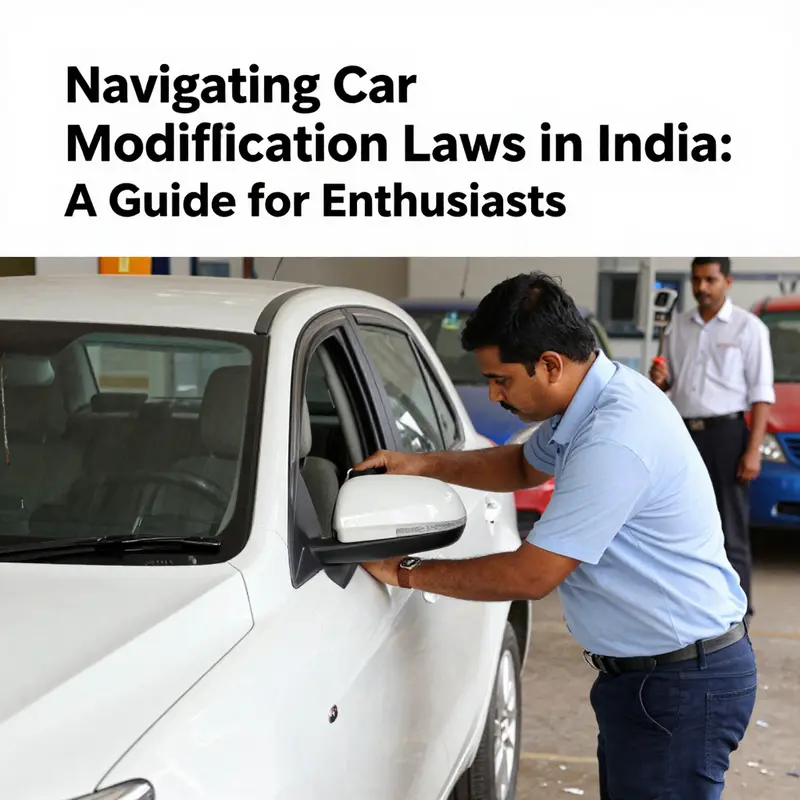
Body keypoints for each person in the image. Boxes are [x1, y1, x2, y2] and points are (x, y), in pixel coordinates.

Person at [358, 272, 756, 800]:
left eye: (501, 380)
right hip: (651, 679)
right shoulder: (590, 402)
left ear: (549, 364)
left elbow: (531, 573)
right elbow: (521, 464)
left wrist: (404, 570)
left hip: (679, 684)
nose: (494, 394)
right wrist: (418, 464)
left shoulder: (614, 436)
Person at [649, 258, 775, 618]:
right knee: (681, 520)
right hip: (685, 435)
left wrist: (753, 452)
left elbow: (761, 395)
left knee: (730, 526)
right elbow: (669, 386)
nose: (702, 287)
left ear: (727, 281)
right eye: (696, 280)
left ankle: (738, 610)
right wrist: (660, 381)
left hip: (728, 436)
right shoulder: (678, 327)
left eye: (710, 279)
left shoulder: (748, 329)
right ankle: (691, 604)